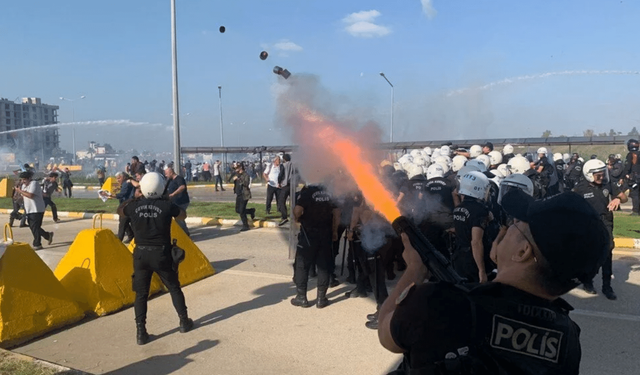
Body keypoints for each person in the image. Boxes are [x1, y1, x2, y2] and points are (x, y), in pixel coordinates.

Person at [378, 190, 609, 375]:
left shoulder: (436, 303)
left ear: (523, 251)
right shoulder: (568, 337)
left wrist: (414, 271)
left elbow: (386, 335)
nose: (505, 229)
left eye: (515, 224)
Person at [120, 172, 193, 345]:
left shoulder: (133, 206)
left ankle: (141, 332)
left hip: (141, 255)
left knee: (141, 294)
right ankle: (183, 321)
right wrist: (166, 200)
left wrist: (136, 197)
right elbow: (182, 215)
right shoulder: (166, 206)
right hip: (161, 253)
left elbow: (121, 210)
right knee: (174, 288)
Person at [573, 159, 627, 300]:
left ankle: (607, 286)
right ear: (589, 174)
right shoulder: (580, 188)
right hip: (589, 223)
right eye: (598, 175)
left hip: (606, 221)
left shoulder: (607, 184)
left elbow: (624, 197)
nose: (602, 177)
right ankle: (587, 281)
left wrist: (618, 199)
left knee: (607, 251)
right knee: (590, 254)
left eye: (603, 174)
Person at [291, 183, 339, 309]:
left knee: (302, 265)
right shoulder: (330, 191)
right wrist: (334, 231)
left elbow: (297, 210)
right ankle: (321, 299)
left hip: (308, 234)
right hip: (326, 233)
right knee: (324, 266)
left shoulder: (306, 192)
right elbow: (337, 213)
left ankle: (301, 297)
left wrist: (297, 219)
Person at [15, 170, 53, 250]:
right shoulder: (23, 186)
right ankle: (47, 235)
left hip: (37, 209)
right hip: (29, 209)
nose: (23, 181)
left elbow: (30, 195)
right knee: (34, 227)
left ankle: (37, 244)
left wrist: (20, 191)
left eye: (24, 179)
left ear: (29, 178)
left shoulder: (34, 184)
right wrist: (18, 197)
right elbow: (24, 196)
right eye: (22, 179)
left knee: (35, 227)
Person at [102, 172, 136, 243]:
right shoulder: (125, 184)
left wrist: (111, 195)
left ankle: (118, 240)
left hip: (126, 205)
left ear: (123, 177)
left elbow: (122, 194)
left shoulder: (126, 184)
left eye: (119, 178)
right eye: (117, 178)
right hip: (126, 205)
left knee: (123, 223)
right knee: (124, 222)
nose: (118, 180)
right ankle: (131, 235)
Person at [164, 167, 190, 236]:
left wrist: (173, 194)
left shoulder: (179, 179)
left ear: (171, 172)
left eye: (166, 174)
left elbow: (182, 187)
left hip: (181, 201)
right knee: (176, 218)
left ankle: (185, 233)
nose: (166, 175)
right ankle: (180, 233)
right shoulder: (170, 180)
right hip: (174, 202)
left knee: (179, 217)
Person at [232, 162, 255, 231]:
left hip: (244, 194)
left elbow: (246, 183)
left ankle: (246, 225)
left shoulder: (245, 175)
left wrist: (239, 179)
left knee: (241, 211)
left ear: (240, 167)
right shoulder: (237, 174)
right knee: (238, 210)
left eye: (237, 168)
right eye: (235, 168)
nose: (235, 169)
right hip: (238, 194)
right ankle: (251, 211)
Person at [623, 139, 640, 215]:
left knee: (635, 194)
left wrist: (626, 175)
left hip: (634, 177)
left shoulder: (631, 155)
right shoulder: (639, 154)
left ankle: (635, 210)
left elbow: (628, 166)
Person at [276, 154, 293, 226]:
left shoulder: (283, 165)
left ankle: (284, 217)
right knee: (293, 201)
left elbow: (281, 175)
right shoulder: (294, 164)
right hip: (292, 185)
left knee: (281, 201)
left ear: (284, 159)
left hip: (285, 185)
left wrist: (279, 182)